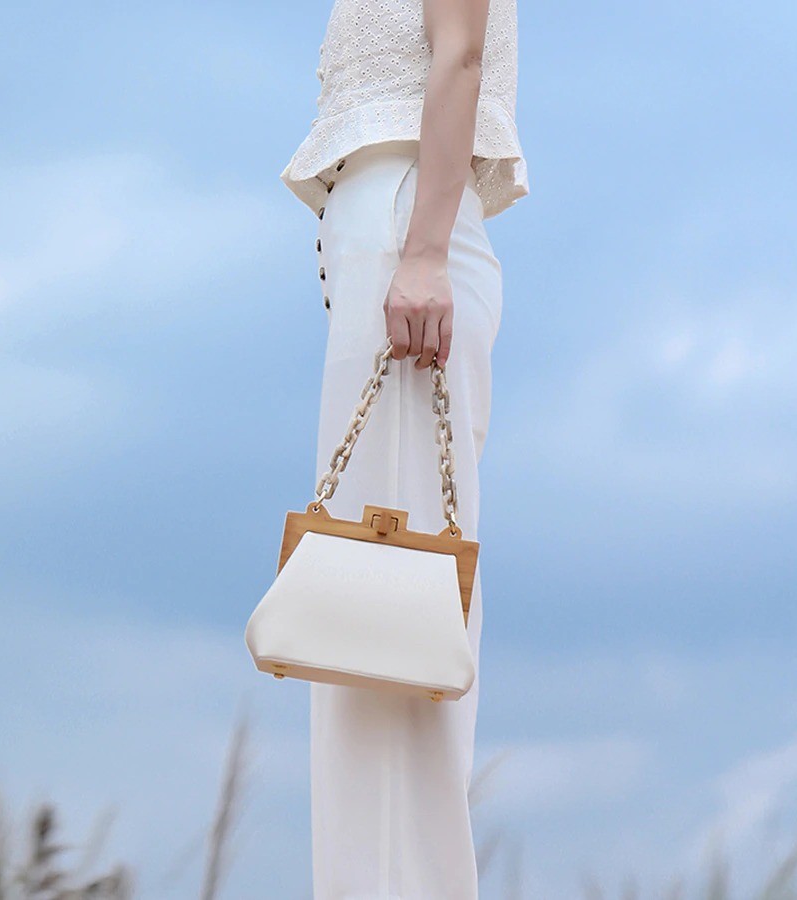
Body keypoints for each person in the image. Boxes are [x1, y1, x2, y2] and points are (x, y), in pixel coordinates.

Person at [279, 0, 528, 896]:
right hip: (392, 225)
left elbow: (459, 55)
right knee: (363, 622)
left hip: (407, 225)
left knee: (393, 611)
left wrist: (419, 254)